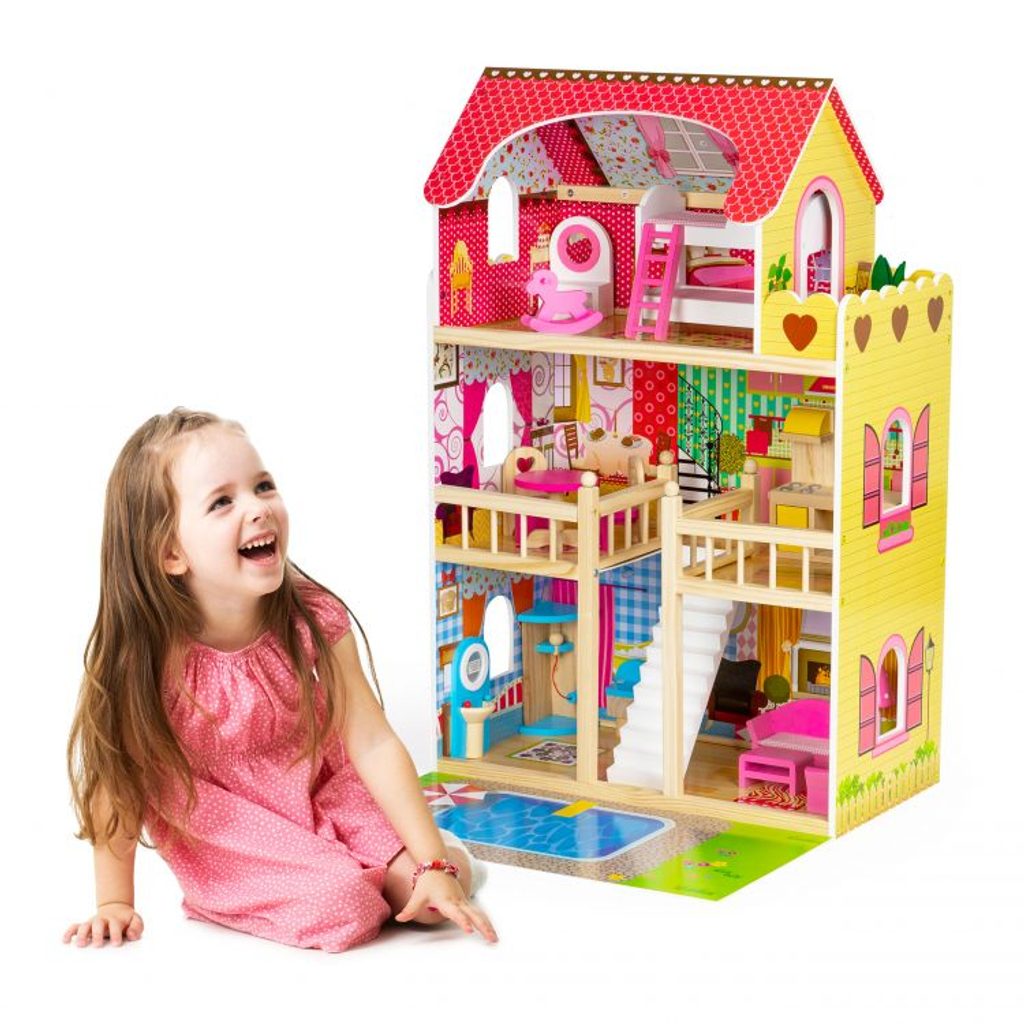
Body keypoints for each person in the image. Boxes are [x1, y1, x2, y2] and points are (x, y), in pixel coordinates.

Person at [64, 408, 496, 951]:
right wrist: (114, 901)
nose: (258, 508)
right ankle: (324, 879)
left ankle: (437, 854)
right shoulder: (143, 656)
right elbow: (116, 778)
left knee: (432, 898)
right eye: (222, 502)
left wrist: (432, 861)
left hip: (325, 790)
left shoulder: (310, 615)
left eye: (263, 486)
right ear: (171, 552)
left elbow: (371, 740)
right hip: (231, 831)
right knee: (346, 908)